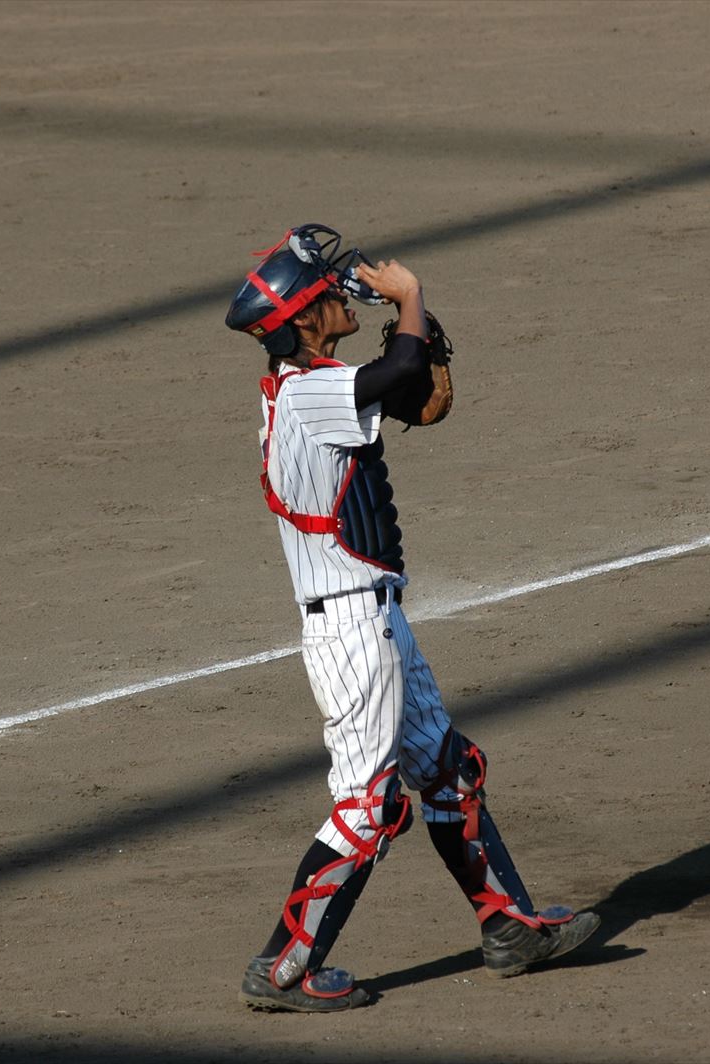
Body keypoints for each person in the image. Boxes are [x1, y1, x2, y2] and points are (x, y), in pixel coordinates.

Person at [224, 225, 601, 1013]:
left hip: (378, 621)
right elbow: (397, 370)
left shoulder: (318, 383)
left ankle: (509, 928)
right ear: (301, 319)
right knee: (370, 807)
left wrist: (419, 333)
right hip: (350, 634)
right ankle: (283, 967)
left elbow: (417, 398)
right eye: (325, 290)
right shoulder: (306, 393)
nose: (341, 292)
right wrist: (409, 299)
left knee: (450, 773)